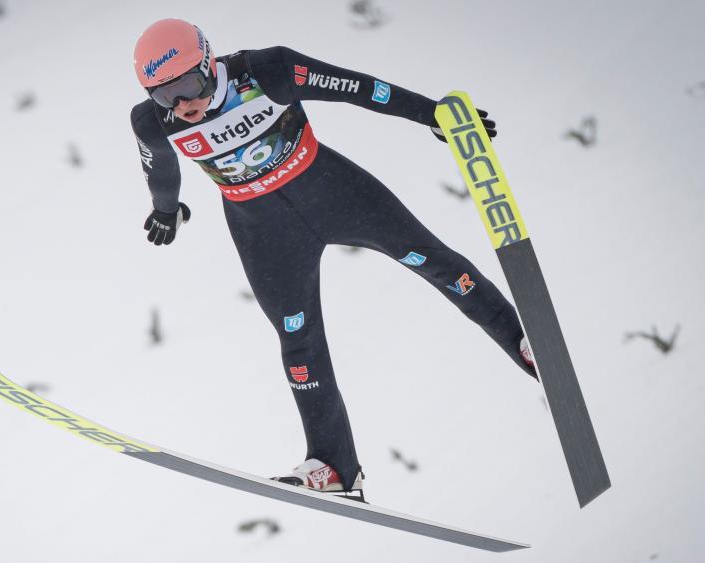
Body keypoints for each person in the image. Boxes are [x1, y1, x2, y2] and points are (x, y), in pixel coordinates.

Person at [130, 18, 536, 500]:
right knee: (298, 342)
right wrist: (166, 211)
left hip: (336, 193)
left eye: (190, 86)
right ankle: (334, 465)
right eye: (165, 96)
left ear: (208, 61)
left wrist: (433, 115)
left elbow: (361, 90)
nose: (184, 105)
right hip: (265, 234)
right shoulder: (151, 121)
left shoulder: (266, 71)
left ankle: (525, 343)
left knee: (431, 260)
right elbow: (160, 171)